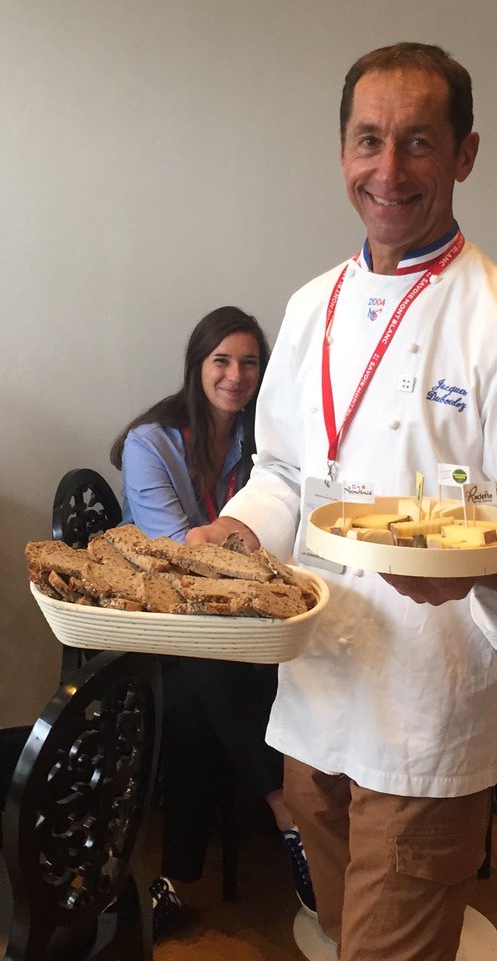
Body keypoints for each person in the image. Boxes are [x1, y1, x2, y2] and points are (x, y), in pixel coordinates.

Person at [186, 44, 497, 961]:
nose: (389, 168)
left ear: (465, 154)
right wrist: (232, 533)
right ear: (341, 152)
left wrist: (477, 571)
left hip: (430, 705)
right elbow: (286, 476)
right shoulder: (309, 309)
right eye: (369, 140)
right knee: (343, 936)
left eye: (419, 142)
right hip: (315, 690)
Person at [110, 305, 315, 934]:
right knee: (207, 668)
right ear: (196, 367)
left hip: (245, 627)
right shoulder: (152, 443)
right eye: (221, 361)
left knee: (206, 695)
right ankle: (291, 815)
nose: (235, 375)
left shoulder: (270, 444)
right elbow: (176, 558)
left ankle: (173, 880)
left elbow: (294, 533)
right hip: (168, 625)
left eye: (249, 362)